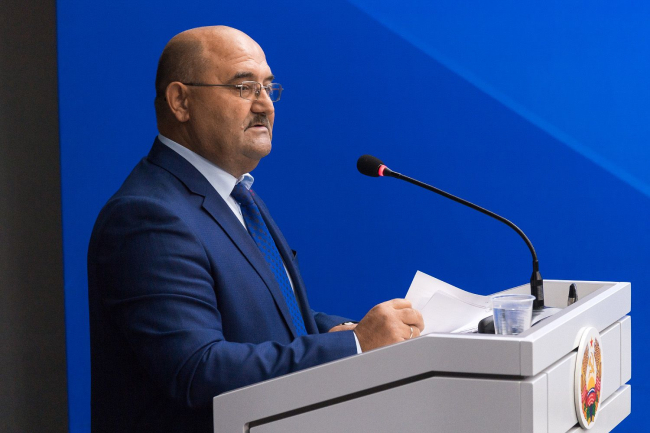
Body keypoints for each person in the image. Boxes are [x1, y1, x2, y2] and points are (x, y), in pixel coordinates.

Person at [88, 25, 424, 433]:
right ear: (181, 101)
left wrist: (346, 331)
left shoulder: (237, 195)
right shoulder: (147, 216)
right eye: (244, 87)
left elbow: (270, 315)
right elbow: (198, 369)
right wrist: (353, 346)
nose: (265, 104)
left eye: (268, 87)